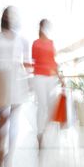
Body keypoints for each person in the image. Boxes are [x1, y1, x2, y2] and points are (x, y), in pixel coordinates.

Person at [0, 6, 30, 167]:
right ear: (4, 17)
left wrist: (28, 78)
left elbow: (26, 64)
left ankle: (11, 155)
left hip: (17, 79)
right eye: (8, 14)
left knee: (15, 119)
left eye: (13, 14)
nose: (11, 17)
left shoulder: (23, 40)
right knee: (3, 117)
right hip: (0, 77)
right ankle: (1, 148)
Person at [31, 19, 63, 149]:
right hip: (39, 77)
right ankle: (39, 133)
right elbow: (35, 60)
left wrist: (61, 77)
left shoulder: (51, 43)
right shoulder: (35, 43)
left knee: (51, 105)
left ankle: (44, 127)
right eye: (46, 26)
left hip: (50, 77)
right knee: (42, 105)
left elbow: (53, 61)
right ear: (42, 27)